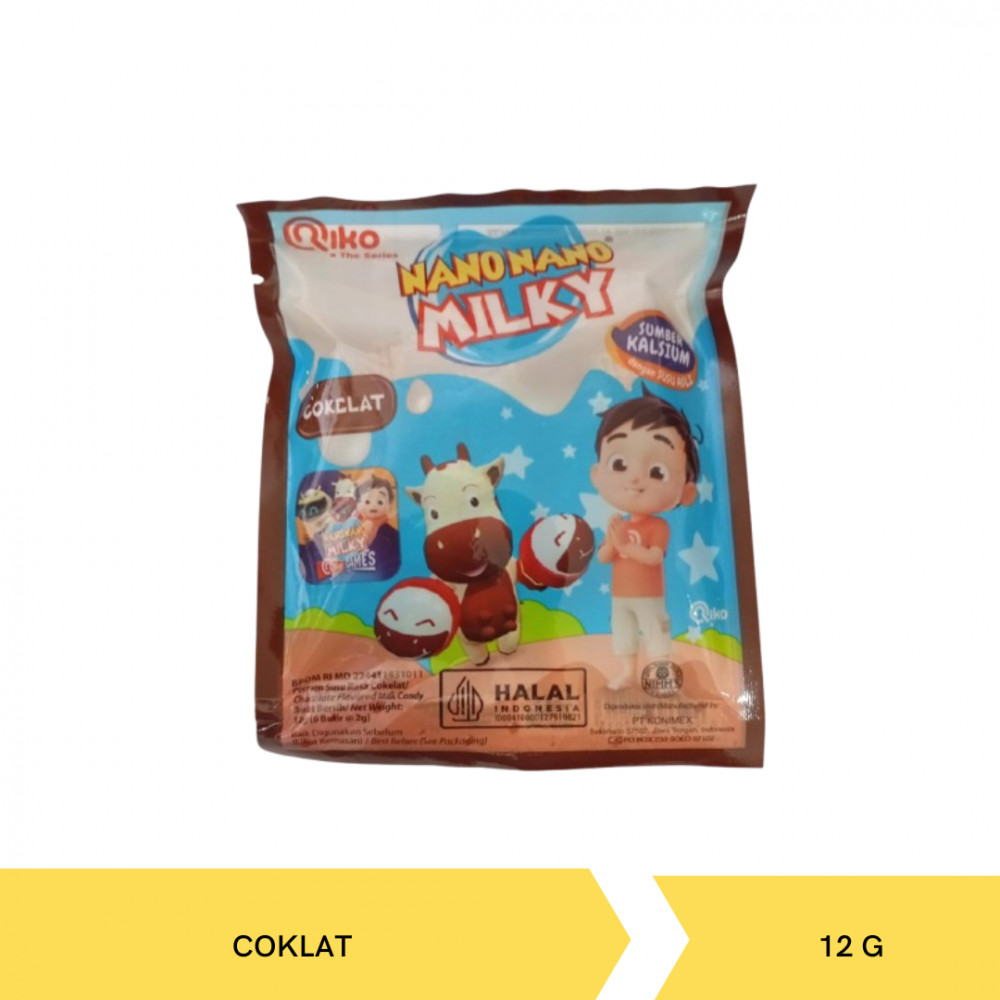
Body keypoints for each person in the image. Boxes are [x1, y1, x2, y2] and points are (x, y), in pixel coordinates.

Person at [591, 387, 700, 689]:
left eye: (656, 471)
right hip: (621, 596)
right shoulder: (620, 524)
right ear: (597, 474)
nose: (635, 477)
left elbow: (653, 557)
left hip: (650, 596)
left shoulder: (658, 526)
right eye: (620, 464)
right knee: (623, 633)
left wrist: (624, 545)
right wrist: (613, 544)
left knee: (656, 633)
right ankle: (628, 672)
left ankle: (662, 673)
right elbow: (602, 556)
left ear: (686, 491)